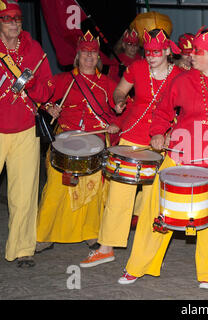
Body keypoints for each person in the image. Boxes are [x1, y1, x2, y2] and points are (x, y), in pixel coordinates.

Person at [117, 27, 208, 289]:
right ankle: (139, 265)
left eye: (198, 51)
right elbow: (162, 113)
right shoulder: (182, 81)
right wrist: (158, 133)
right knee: (157, 210)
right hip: (181, 156)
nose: (192, 55)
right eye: (193, 50)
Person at [79, 29, 183, 268]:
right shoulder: (136, 68)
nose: (151, 56)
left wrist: (172, 134)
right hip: (133, 135)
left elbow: (186, 108)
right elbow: (120, 90)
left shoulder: (179, 75)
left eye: (156, 52)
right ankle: (106, 248)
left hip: (162, 139)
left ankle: (146, 253)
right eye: (148, 52)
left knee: (154, 200)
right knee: (119, 195)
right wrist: (118, 101)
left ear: (167, 51)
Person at [35, 31, 120, 254]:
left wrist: (114, 123)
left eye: (93, 53)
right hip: (66, 139)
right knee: (55, 187)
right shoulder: (64, 80)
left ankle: (91, 233)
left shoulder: (108, 84)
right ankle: (43, 234)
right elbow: (41, 95)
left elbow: (122, 108)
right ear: (78, 56)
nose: (89, 57)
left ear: (98, 58)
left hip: (95, 141)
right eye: (85, 53)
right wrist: (49, 108)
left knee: (92, 190)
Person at [0, 0, 54, 267]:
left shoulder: (34, 49)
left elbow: (48, 90)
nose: (14, 23)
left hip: (24, 129)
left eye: (17, 18)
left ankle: (22, 249)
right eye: (7, 18)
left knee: (24, 194)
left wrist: (32, 84)